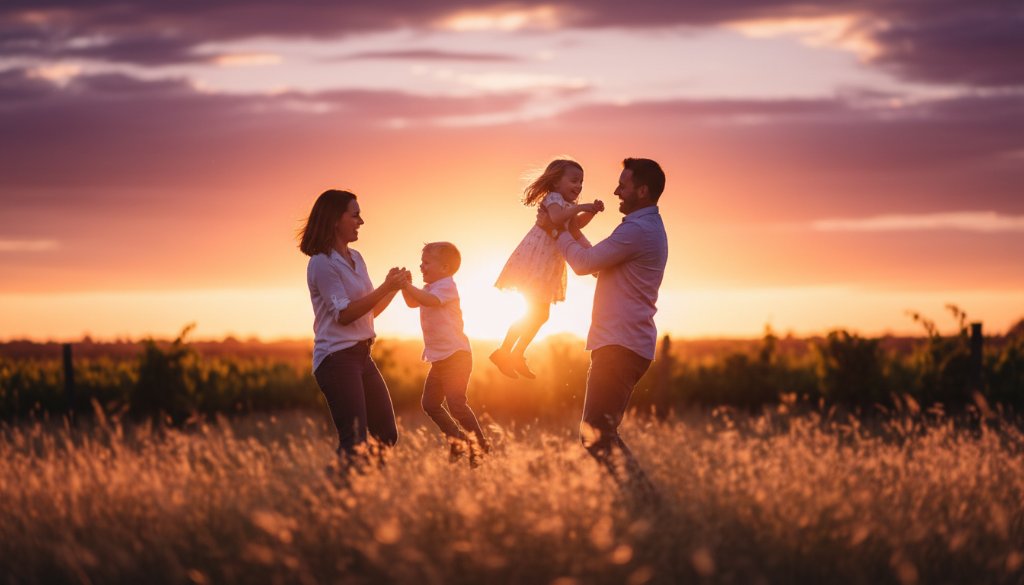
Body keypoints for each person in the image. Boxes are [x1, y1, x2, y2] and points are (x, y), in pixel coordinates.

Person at [542, 158, 668, 496]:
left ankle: (647, 503)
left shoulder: (638, 230)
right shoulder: (641, 228)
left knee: (595, 434)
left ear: (642, 191)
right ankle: (639, 502)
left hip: (620, 345)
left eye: (623, 186)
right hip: (624, 343)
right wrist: (571, 231)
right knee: (599, 434)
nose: (616, 191)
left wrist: (556, 232)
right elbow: (599, 264)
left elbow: (584, 265)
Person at [299, 189, 410, 468]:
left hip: (362, 357)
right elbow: (345, 314)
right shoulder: (321, 264)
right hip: (336, 360)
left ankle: (362, 492)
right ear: (336, 220)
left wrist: (393, 289)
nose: (361, 221)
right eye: (355, 215)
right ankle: (333, 495)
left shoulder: (356, 258)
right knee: (354, 441)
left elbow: (368, 312)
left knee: (385, 434)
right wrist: (386, 286)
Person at [491, 158, 604, 379]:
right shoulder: (553, 199)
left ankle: (511, 353)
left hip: (547, 265)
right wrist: (581, 206)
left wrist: (591, 213)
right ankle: (506, 352)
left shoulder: (568, 206)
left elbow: (575, 228)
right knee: (536, 312)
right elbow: (556, 217)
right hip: (535, 262)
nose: (579, 185)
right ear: (555, 182)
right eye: (573, 180)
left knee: (540, 315)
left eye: (581, 181)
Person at [401, 242, 490, 466]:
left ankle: (479, 444)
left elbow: (428, 301)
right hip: (440, 360)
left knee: (456, 404)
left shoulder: (447, 287)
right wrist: (404, 285)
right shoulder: (429, 288)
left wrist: (406, 285)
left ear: (445, 267)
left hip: (456, 357)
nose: (422, 266)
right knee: (430, 404)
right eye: (421, 262)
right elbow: (413, 302)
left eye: (427, 262)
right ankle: (457, 439)